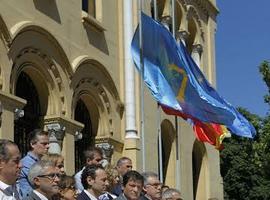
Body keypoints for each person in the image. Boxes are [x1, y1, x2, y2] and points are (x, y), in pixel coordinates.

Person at [19, 129, 50, 198]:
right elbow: (44, 184)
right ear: (32, 144)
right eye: (44, 144)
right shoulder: (26, 162)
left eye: (48, 143)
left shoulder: (40, 162)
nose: (48, 146)